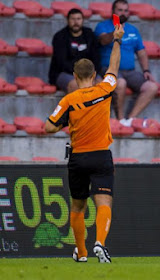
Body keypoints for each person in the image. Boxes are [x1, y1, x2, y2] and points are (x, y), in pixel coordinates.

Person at [44, 24, 125, 263]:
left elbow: (48, 126)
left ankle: (81, 252)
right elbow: (114, 66)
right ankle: (100, 242)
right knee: (104, 202)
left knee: (77, 207)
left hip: (78, 158)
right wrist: (117, 40)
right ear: (93, 75)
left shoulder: (69, 100)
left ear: (75, 76)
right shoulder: (105, 89)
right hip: (101, 156)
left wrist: (65, 123)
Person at [94, 0, 158, 126]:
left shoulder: (133, 30)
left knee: (152, 87)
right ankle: (120, 119)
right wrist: (116, 32)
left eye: (125, 10)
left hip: (130, 71)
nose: (123, 13)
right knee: (120, 83)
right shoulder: (103, 26)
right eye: (120, 10)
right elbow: (103, 41)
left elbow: (141, 52)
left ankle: (129, 120)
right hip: (109, 68)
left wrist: (146, 70)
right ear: (113, 12)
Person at [49, 8, 101, 94]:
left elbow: (96, 58)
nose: (76, 22)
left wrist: (90, 74)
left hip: (88, 73)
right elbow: (61, 62)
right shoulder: (60, 37)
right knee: (77, 85)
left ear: (83, 20)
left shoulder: (89, 35)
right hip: (64, 73)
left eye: (78, 19)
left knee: (102, 85)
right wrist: (82, 75)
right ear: (67, 20)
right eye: (72, 19)